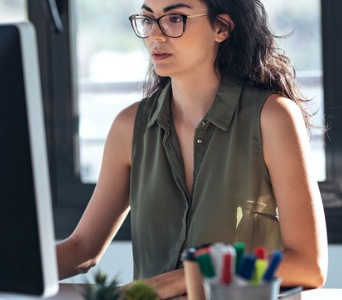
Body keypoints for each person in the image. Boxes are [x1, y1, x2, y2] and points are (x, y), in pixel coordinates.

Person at [56, 0, 328, 298]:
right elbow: (82, 249)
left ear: (221, 28)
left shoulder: (272, 117)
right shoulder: (128, 126)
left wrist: (179, 279)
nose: (155, 35)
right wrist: (4, 274)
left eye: (175, 18)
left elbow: (308, 265)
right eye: (148, 20)